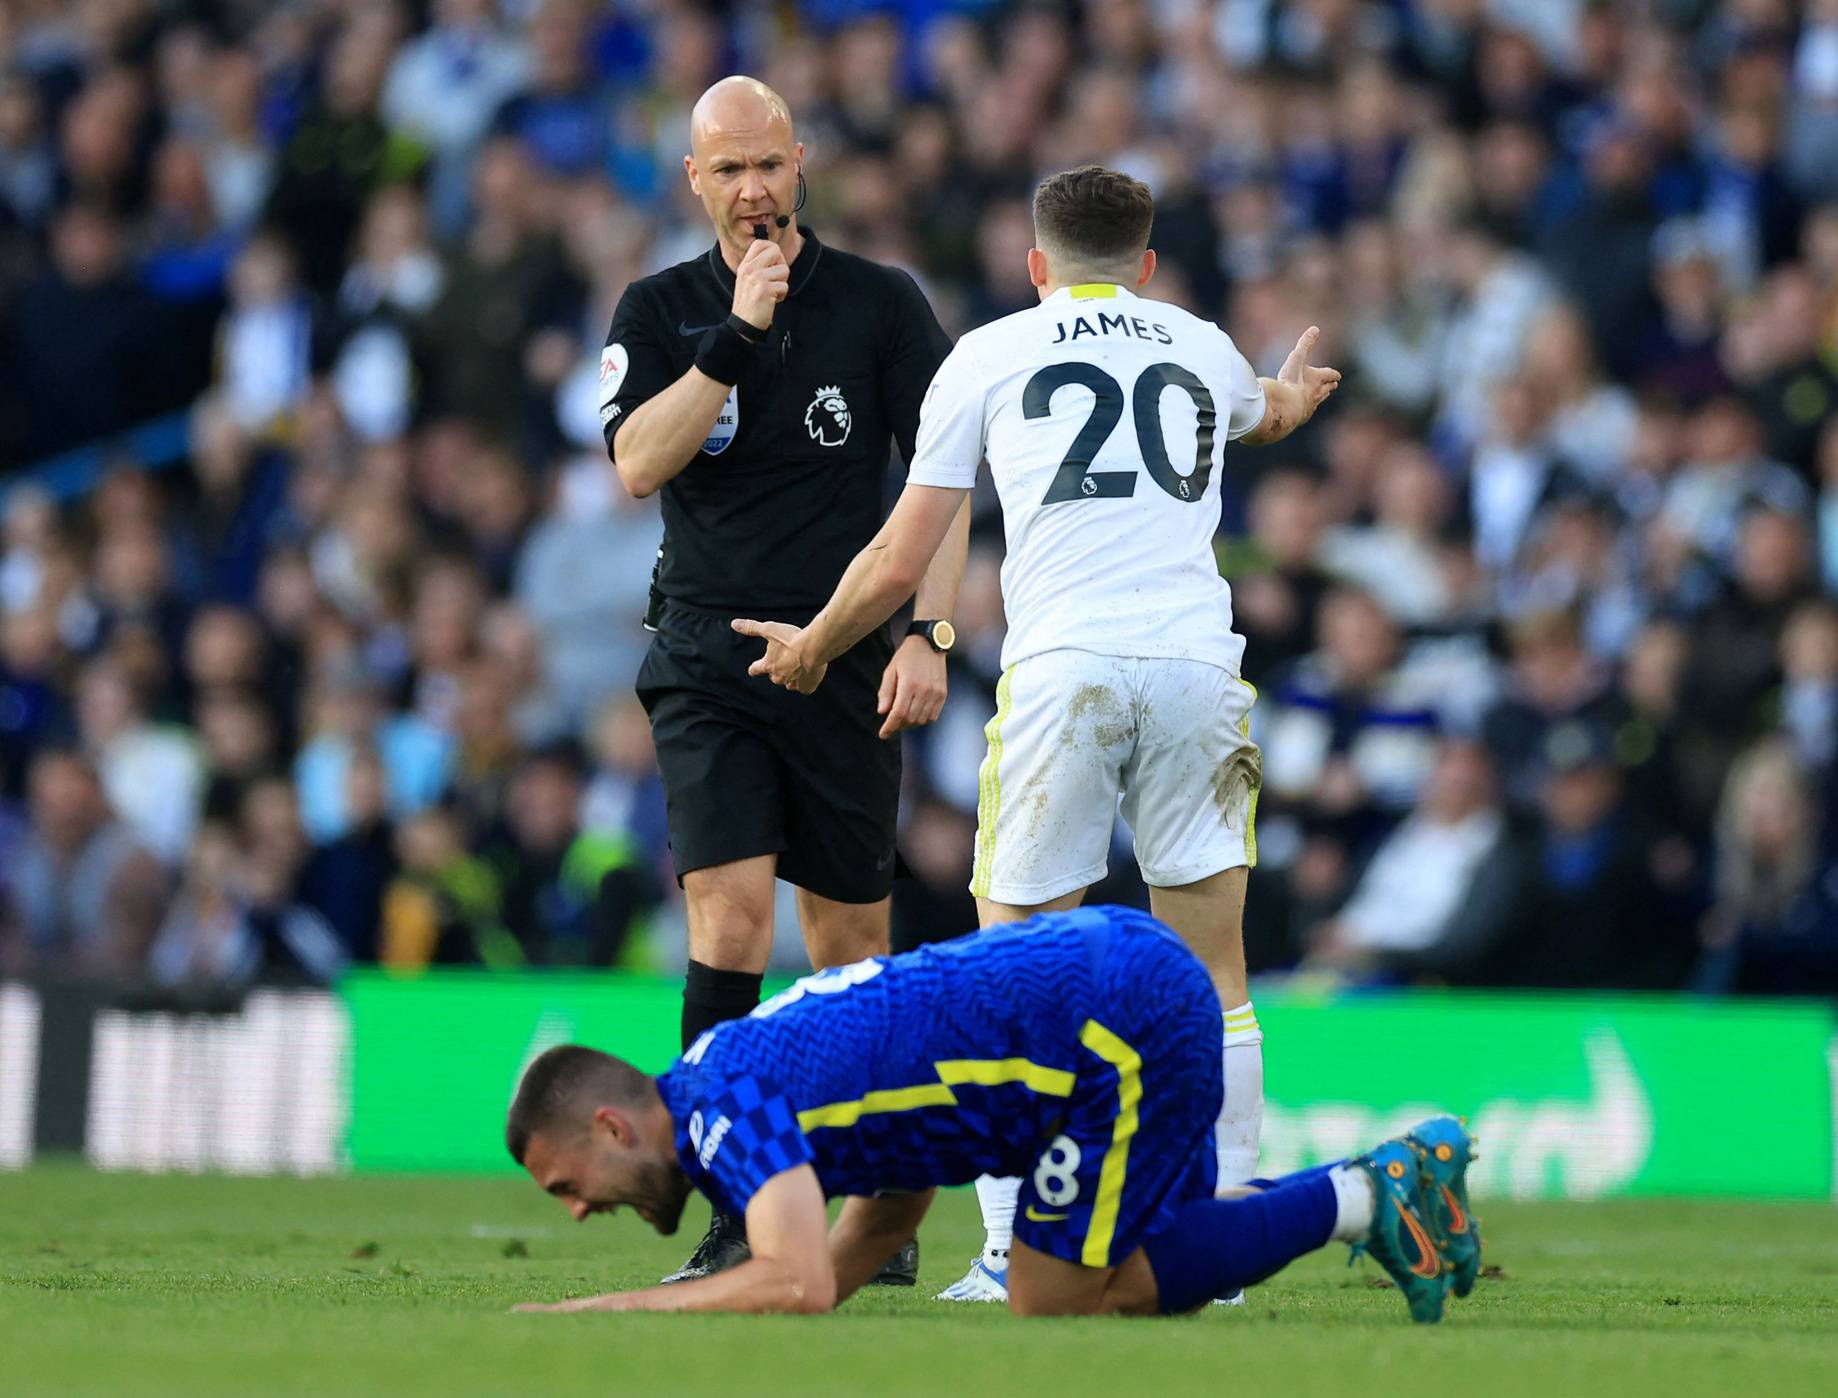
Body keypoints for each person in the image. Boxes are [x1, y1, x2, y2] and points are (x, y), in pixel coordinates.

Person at [731, 165, 1339, 1300]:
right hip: (1198, 668)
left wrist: (816, 643)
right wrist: (1289, 404)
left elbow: (902, 557)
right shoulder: (1199, 344)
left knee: (1011, 966)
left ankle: (1013, 1243)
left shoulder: (992, 354)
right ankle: (1225, 1241)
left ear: (1035, 265)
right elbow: (1264, 407)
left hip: (1066, 674)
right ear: (1148, 265)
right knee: (1217, 969)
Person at [595, 75, 966, 1284]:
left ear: (802, 162)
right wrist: (735, 341)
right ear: (692, 182)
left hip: (850, 657)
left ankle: (869, 1206)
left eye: (770, 165)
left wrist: (930, 635)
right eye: (729, 171)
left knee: (851, 944)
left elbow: (948, 479)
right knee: (730, 921)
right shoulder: (659, 309)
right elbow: (637, 466)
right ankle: (736, 1195)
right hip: (706, 654)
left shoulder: (881, 303)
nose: (754, 191)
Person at [506, 905, 1480, 1322]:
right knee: (1146, 1249)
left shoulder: (719, 1113)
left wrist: (622, 1309)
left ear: (611, 1128)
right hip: (1105, 985)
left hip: (1115, 1022)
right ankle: (1386, 1190)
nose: (578, 1210)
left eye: (565, 1187)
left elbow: (793, 1276)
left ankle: (1371, 1193)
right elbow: (889, 1207)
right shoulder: (722, 1077)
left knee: (1056, 1295)